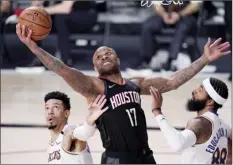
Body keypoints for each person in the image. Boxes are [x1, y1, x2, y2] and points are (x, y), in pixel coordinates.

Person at [16, 23, 231, 164]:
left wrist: (203, 59)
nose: (104, 56)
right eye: (99, 56)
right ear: (95, 66)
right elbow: (62, 69)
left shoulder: (136, 84)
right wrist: (35, 49)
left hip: (145, 156)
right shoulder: (94, 87)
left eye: (109, 53)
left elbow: (173, 81)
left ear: (118, 60)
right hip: (117, 159)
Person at [150, 77, 232, 164]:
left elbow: (177, 144)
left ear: (210, 102)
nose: (194, 91)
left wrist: (157, 111)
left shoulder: (200, 123)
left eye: (200, 90)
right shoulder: (225, 127)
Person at [45, 91, 108, 164]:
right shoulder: (52, 143)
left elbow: (85, 133)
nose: (50, 111)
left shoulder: (70, 131)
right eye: (47, 108)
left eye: (56, 107)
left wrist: (89, 122)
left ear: (66, 113)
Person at [138, 1, 202, 71]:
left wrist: (179, 15)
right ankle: (147, 61)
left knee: (182, 28)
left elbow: (195, 5)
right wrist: (163, 14)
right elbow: (155, 4)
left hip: (187, 15)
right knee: (147, 26)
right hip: (165, 15)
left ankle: (171, 60)